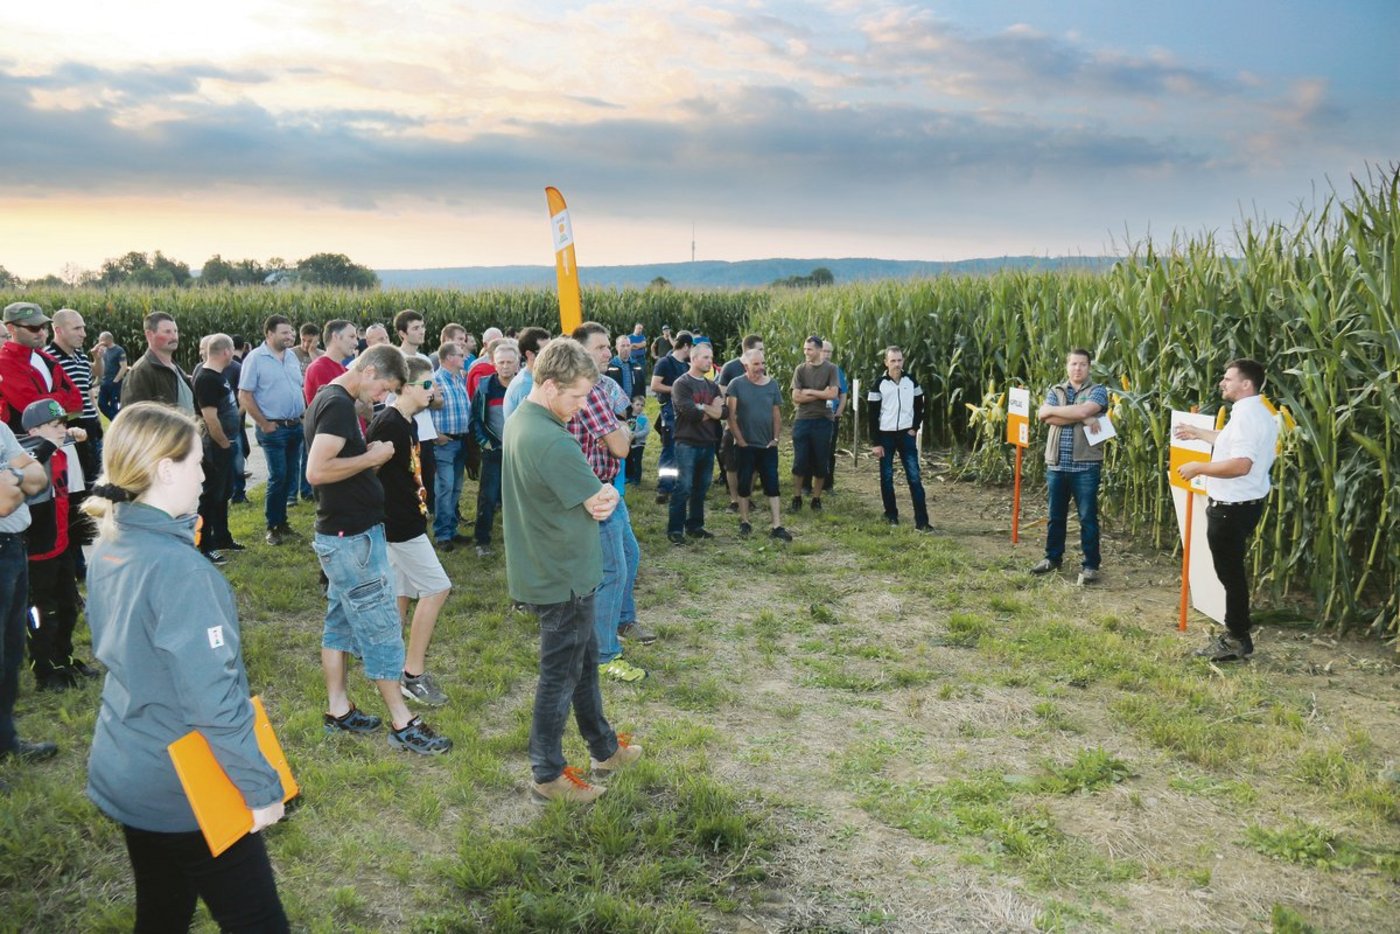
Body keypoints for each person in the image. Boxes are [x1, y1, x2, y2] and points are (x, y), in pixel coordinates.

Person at [83, 403, 289, 932]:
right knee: (258, 921)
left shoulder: (111, 541)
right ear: (167, 469)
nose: (205, 473)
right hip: (186, 786)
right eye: (198, 462)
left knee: (162, 909)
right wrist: (260, 788)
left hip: (129, 769)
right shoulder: (179, 570)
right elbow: (213, 701)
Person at [501, 340, 642, 803]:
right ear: (549, 385)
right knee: (559, 676)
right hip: (561, 575)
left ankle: (602, 747)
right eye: (578, 396)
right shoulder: (551, 439)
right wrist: (611, 493)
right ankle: (547, 772)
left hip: (555, 567)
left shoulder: (523, 418)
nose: (583, 407)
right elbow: (600, 502)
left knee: (584, 665)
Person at [305, 344, 450, 755]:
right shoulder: (336, 404)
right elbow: (317, 470)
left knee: (339, 625)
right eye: (383, 387)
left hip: (342, 535)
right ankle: (404, 723)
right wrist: (373, 456)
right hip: (351, 538)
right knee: (382, 628)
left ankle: (338, 709)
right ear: (367, 371)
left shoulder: (330, 398)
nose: (382, 396)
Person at [1175, 358, 1280, 663]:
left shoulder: (1248, 418)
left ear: (1246, 384)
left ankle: (1237, 638)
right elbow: (1232, 444)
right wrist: (1198, 433)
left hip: (1231, 510)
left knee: (1230, 575)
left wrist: (1199, 467)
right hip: (1242, 506)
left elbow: (1240, 464)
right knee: (1231, 573)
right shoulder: (1255, 413)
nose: (1222, 383)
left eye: (1228, 379)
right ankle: (1238, 631)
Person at [366, 356, 452, 707]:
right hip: (398, 526)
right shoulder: (390, 424)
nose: (435, 390)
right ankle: (412, 675)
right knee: (437, 588)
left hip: (407, 520)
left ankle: (388, 666)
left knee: (399, 596)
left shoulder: (408, 421)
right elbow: (368, 471)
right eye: (428, 384)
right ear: (407, 386)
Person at [570, 323, 651, 684]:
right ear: (580, 351)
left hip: (608, 487)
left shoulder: (605, 385)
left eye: (608, 347)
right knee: (611, 570)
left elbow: (628, 421)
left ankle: (618, 621)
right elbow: (620, 445)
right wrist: (620, 435)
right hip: (592, 491)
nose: (608, 353)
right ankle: (604, 653)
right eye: (601, 347)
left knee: (629, 556)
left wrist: (623, 430)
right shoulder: (585, 391)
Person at [1030, 349, 1109, 581]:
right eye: (1074, 364)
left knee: (1087, 517)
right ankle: (1052, 558)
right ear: (1067, 366)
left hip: (1085, 465)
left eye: (1082, 364)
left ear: (1089, 367)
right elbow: (1046, 418)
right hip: (1057, 463)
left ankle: (1091, 565)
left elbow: (1076, 410)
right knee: (1055, 516)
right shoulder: (1056, 390)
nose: (1077, 368)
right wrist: (1083, 417)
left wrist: (1071, 412)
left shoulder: (1098, 391)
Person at [238, 316, 305, 545]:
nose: (290, 336)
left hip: (295, 425)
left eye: (291, 332)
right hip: (273, 428)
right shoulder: (256, 359)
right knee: (278, 476)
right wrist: (264, 423)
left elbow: (297, 388)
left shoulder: (292, 357)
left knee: (290, 476)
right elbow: (244, 395)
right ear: (269, 333)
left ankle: (283, 522)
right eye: (284, 333)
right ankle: (272, 526)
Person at [726, 348, 791, 541]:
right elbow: (731, 416)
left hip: (767, 446)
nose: (760, 368)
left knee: (772, 483)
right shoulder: (736, 384)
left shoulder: (772, 385)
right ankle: (745, 521)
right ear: (746, 365)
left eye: (762, 363)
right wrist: (740, 440)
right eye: (756, 364)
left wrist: (776, 439)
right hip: (746, 445)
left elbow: (776, 414)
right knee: (744, 484)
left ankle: (777, 525)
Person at [866, 346, 932, 531]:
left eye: (899, 360)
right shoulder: (879, 384)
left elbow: (921, 406)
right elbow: (871, 415)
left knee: (914, 477)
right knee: (887, 477)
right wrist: (876, 443)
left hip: (906, 435)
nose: (896, 364)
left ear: (903, 361)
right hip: (885, 435)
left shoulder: (911, 381)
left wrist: (914, 427)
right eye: (893, 361)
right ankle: (891, 516)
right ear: (886, 362)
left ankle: (922, 522)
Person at [668, 340, 724, 545]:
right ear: (693, 358)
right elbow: (691, 413)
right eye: (706, 357)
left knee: (701, 487)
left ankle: (695, 525)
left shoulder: (712, 385)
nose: (710, 361)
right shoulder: (682, 384)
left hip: (708, 442)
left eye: (711, 357)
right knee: (683, 486)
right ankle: (675, 529)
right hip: (687, 443)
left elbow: (724, 412)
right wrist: (712, 409)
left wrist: (703, 406)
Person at [468, 341, 519, 556]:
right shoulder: (485, 387)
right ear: (493, 364)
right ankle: (482, 540)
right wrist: (487, 444)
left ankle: (520, 539)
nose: (505, 366)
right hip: (494, 450)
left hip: (520, 452)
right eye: (501, 362)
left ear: (518, 363)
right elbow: (475, 421)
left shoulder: (524, 386)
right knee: (487, 497)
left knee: (519, 497)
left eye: (509, 362)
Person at [0, 302, 84, 433]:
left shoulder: (47, 359)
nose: (41, 332)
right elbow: (32, 408)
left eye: (43, 326)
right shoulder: (4, 362)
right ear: (11, 329)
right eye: (33, 328)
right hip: (24, 445)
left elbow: (76, 402)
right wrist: (61, 396)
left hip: (57, 439)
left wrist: (49, 400)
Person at [194, 334, 242, 561]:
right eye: (231, 350)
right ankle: (204, 544)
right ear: (226, 352)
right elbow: (210, 418)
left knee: (223, 494)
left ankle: (223, 537)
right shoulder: (206, 378)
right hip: (214, 448)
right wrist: (224, 443)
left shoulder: (218, 376)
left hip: (226, 444)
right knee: (211, 496)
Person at [47, 308, 103, 480]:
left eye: (83, 328)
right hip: (72, 428)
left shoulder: (81, 357)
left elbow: (88, 391)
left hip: (91, 425)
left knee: (99, 477)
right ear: (58, 330)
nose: (83, 334)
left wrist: (97, 417)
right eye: (77, 329)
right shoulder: (48, 358)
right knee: (82, 481)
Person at [394, 309, 439, 515]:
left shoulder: (425, 360)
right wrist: (424, 399)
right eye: (415, 328)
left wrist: (423, 399)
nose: (421, 331)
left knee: (427, 483)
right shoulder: (395, 360)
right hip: (403, 430)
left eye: (422, 327)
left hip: (426, 432)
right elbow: (393, 399)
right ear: (402, 333)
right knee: (406, 482)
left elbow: (437, 399)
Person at [789, 335, 839, 512]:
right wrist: (819, 392)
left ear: (818, 350)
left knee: (821, 462)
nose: (806, 352)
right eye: (804, 349)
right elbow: (796, 397)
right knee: (800, 461)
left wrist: (808, 392)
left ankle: (816, 499)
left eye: (809, 349)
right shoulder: (800, 370)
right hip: (802, 420)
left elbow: (833, 394)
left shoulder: (831, 369)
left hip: (823, 420)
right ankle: (797, 497)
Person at [430, 341, 472, 548]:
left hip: (460, 441)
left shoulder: (458, 380)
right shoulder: (434, 381)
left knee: (455, 488)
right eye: (460, 355)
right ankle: (442, 535)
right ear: (448, 358)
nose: (464, 357)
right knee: (445, 488)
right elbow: (424, 410)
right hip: (444, 442)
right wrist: (435, 434)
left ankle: (451, 529)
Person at [718, 335, 763, 510]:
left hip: (755, 425)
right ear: (747, 350)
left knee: (753, 464)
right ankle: (734, 500)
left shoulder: (760, 368)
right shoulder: (730, 368)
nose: (762, 353)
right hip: (733, 423)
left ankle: (747, 496)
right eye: (760, 349)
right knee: (732, 464)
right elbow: (722, 395)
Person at [120, 312, 194, 414]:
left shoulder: (176, 370)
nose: (174, 337)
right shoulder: (141, 372)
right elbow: (134, 417)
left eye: (175, 331)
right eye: (167, 332)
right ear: (149, 335)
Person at [649, 330, 692, 503]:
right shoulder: (664, 362)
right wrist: (676, 389)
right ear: (687, 346)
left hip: (683, 412)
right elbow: (654, 385)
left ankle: (677, 485)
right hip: (669, 411)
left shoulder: (685, 366)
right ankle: (664, 487)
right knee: (670, 449)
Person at [605, 335, 647, 485]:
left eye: (628, 345)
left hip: (632, 408)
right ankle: (618, 473)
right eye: (622, 345)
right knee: (618, 440)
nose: (625, 348)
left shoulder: (636, 365)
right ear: (616, 347)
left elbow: (641, 385)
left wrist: (640, 403)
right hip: (616, 411)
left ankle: (632, 472)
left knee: (632, 440)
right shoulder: (610, 366)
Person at [501, 327, 551, 420]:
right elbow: (533, 423)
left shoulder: (533, 378)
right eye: (547, 352)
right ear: (529, 354)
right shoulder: (526, 385)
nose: (552, 355)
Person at [820, 339, 847, 494]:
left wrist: (839, 412)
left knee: (830, 451)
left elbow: (843, 393)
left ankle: (828, 485)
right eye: (824, 351)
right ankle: (806, 486)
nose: (827, 354)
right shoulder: (810, 369)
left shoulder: (837, 371)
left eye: (829, 351)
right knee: (811, 450)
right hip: (815, 415)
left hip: (832, 416)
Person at [95, 331, 127, 422]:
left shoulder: (119, 350)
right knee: (101, 404)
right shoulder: (103, 351)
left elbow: (123, 367)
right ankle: (116, 421)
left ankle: (117, 424)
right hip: (104, 383)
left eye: (100, 340)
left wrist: (115, 381)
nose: (99, 342)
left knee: (116, 405)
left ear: (107, 340)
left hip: (115, 384)